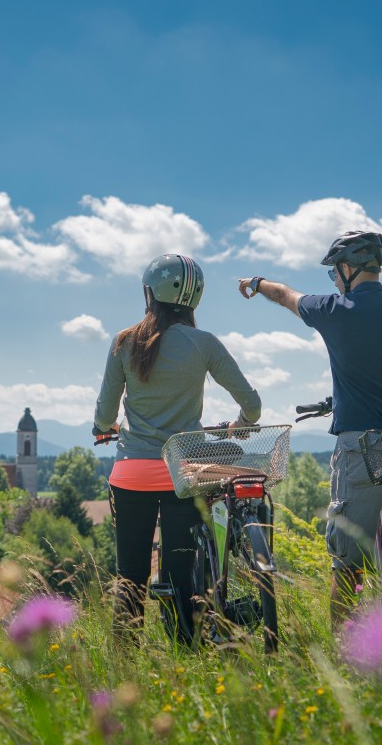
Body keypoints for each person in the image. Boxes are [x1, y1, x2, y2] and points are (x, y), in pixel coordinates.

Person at [237, 230, 382, 630]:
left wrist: (256, 284)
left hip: (362, 445)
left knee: (346, 560)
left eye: (333, 273)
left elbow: (285, 295)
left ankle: (344, 647)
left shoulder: (333, 309)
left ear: (346, 268)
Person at [95, 253, 261, 644]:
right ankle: (184, 650)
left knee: (130, 576)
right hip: (183, 472)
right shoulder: (204, 344)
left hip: (131, 473)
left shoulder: (124, 341)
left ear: (149, 293)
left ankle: (124, 658)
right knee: (179, 572)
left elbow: (104, 414)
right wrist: (240, 425)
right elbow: (252, 406)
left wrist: (108, 428)